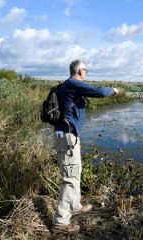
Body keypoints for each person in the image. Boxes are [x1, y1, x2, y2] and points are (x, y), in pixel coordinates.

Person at [50, 59, 119, 234]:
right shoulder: (73, 83)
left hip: (69, 136)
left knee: (76, 171)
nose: (86, 73)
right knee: (70, 177)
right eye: (85, 71)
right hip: (67, 136)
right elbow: (99, 92)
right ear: (80, 71)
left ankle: (75, 205)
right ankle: (60, 222)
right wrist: (113, 90)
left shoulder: (68, 85)